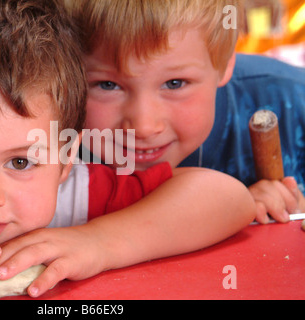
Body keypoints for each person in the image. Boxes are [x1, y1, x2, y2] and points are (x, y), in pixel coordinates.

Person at [0, 0, 256, 298]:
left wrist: (100, 243)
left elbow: (227, 198)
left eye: (19, 161)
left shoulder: (74, 196)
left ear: (66, 158)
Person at [62, 0, 305, 225]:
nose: (145, 127)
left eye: (174, 83)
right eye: (108, 85)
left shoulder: (294, 101)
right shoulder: (45, 137)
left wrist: (290, 213)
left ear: (224, 64)